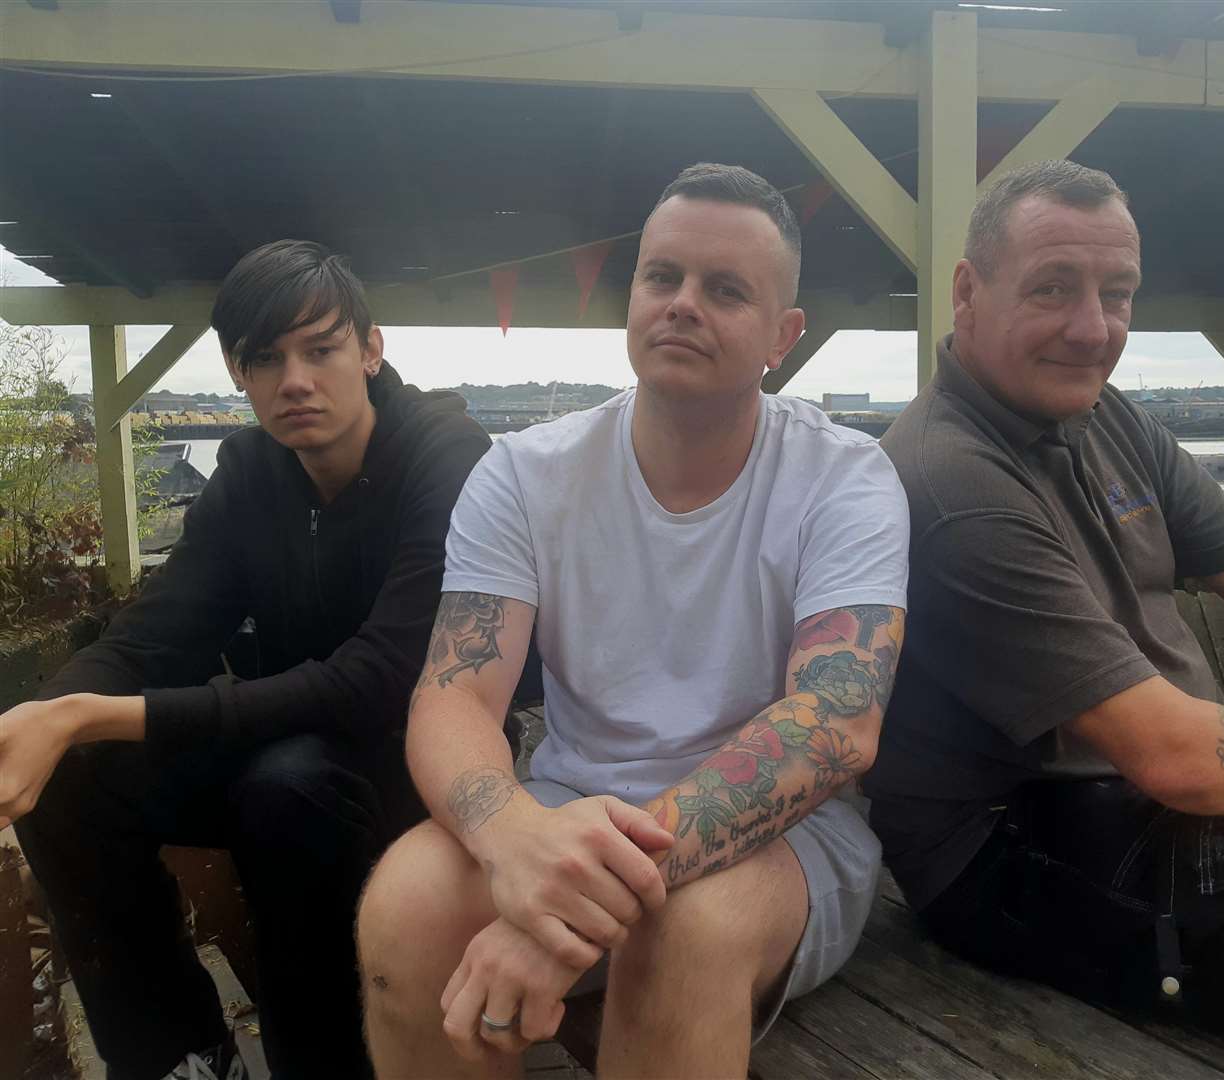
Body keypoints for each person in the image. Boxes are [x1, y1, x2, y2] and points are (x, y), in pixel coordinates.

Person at [868, 159, 1224, 1080]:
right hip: (1020, 851)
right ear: (968, 291)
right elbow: (1169, 751)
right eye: (1053, 288)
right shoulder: (946, 480)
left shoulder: (1106, 417)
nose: (1093, 329)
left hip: (1158, 790)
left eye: (1118, 294)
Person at [356, 163, 909, 1078]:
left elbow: (835, 725)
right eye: (663, 277)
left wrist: (586, 894)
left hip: (786, 840)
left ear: (784, 334)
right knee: (406, 905)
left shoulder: (844, 478)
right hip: (569, 805)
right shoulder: (525, 475)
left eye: (725, 289)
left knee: (679, 931)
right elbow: (452, 700)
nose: (683, 304)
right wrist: (513, 841)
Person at [3, 240, 492, 1080]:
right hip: (286, 740)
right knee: (70, 776)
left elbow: (379, 677)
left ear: (371, 351)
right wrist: (43, 720)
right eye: (265, 358)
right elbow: (156, 634)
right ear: (237, 371)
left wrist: (95, 713)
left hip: (425, 756)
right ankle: (184, 1054)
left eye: (321, 349)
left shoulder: (446, 458)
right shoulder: (249, 474)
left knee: (285, 789)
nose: (293, 380)